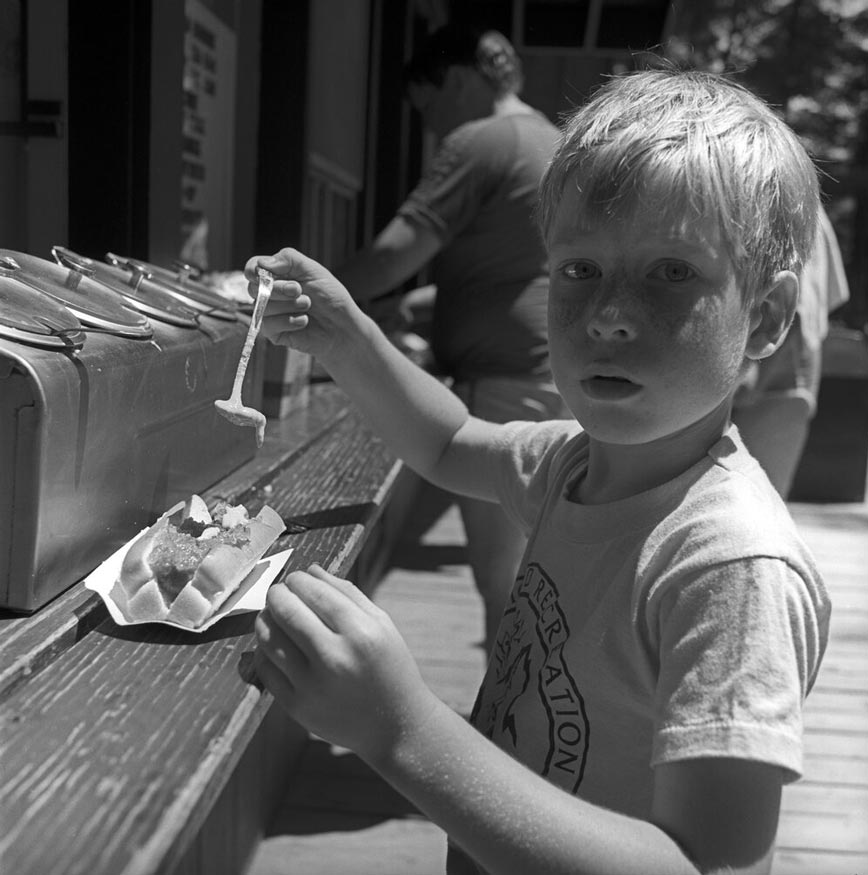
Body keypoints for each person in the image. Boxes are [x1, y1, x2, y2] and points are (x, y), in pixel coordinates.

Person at [249, 68, 831, 875]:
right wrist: (348, 334)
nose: (609, 312)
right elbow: (450, 440)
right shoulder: (572, 463)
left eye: (672, 272)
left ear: (764, 316)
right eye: (578, 269)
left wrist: (402, 728)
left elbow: (705, 865)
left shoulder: (729, 567)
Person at [334, 24, 567, 653]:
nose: (433, 128)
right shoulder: (553, 140)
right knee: (538, 578)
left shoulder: (482, 139)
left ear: (460, 80)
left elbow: (389, 259)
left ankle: (506, 736)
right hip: (556, 382)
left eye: (428, 106)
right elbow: (523, 274)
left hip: (508, 387)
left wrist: (301, 291)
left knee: (505, 585)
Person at [732, 208, 851, 496]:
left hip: (786, 368)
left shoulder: (806, 206)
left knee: (762, 506)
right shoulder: (810, 205)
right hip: (786, 365)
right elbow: (832, 297)